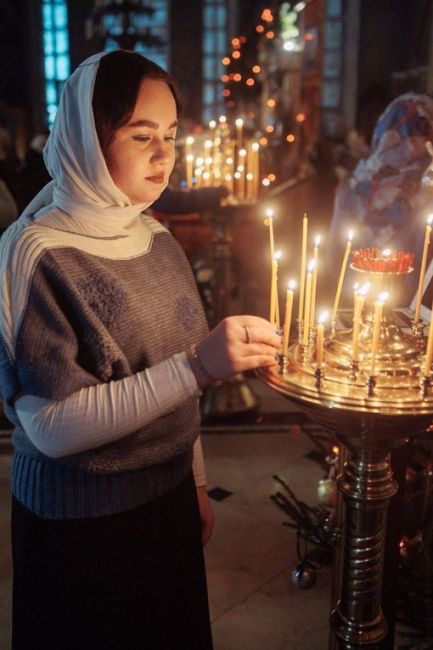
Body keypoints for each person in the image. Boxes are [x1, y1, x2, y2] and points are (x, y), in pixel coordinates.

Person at [0, 50, 280, 650]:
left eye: (172, 136)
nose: (164, 155)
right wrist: (198, 366)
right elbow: (49, 425)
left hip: (167, 501)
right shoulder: (36, 252)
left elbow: (180, 378)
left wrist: (196, 482)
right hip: (80, 526)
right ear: (88, 137)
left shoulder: (156, 238)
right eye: (141, 134)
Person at [327, 92, 433, 303]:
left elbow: (334, 261)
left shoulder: (353, 184)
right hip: (414, 319)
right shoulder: (427, 189)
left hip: (352, 308)